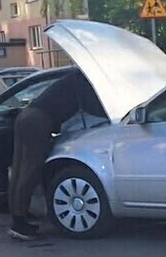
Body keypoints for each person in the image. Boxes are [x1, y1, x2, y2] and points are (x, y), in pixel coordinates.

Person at [7, 70, 102, 240]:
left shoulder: (73, 78)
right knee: (31, 171)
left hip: (27, 116)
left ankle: (18, 215)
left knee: (20, 169)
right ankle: (19, 223)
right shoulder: (84, 83)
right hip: (38, 121)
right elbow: (93, 108)